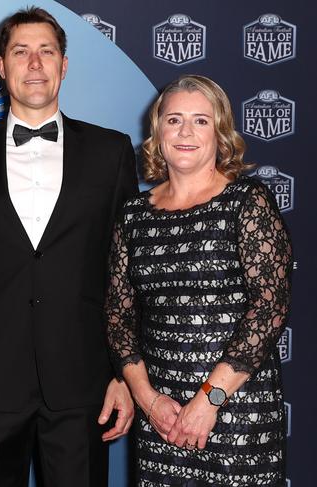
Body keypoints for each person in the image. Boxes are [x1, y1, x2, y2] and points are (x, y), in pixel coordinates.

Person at [0, 7, 136, 487]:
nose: (35, 63)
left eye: (47, 51)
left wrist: (122, 373)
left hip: (83, 381)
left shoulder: (111, 152)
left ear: (64, 65)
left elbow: (126, 275)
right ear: (1, 66)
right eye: (21, 52)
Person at [105, 74, 291, 485]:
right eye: (174, 120)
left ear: (220, 134)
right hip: (162, 416)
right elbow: (119, 317)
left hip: (237, 411)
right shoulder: (134, 214)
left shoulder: (248, 201)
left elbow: (270, 307)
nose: (186, 131)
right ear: (157, 131)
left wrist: (209, 401)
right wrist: (148, 400)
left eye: (200, 120)